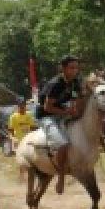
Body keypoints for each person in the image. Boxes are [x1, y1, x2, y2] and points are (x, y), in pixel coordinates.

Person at [38, 55, 84, 193]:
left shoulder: (75, 82)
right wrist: (67, 112)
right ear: (63, 69)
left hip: (63, 113)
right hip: (47, 116)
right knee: (63, 144)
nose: (75, 70)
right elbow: (47, 108)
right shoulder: (55, 84)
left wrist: (75, 110)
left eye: (76, 67)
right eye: (72, 67)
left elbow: (76, 99)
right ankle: (61, 178)